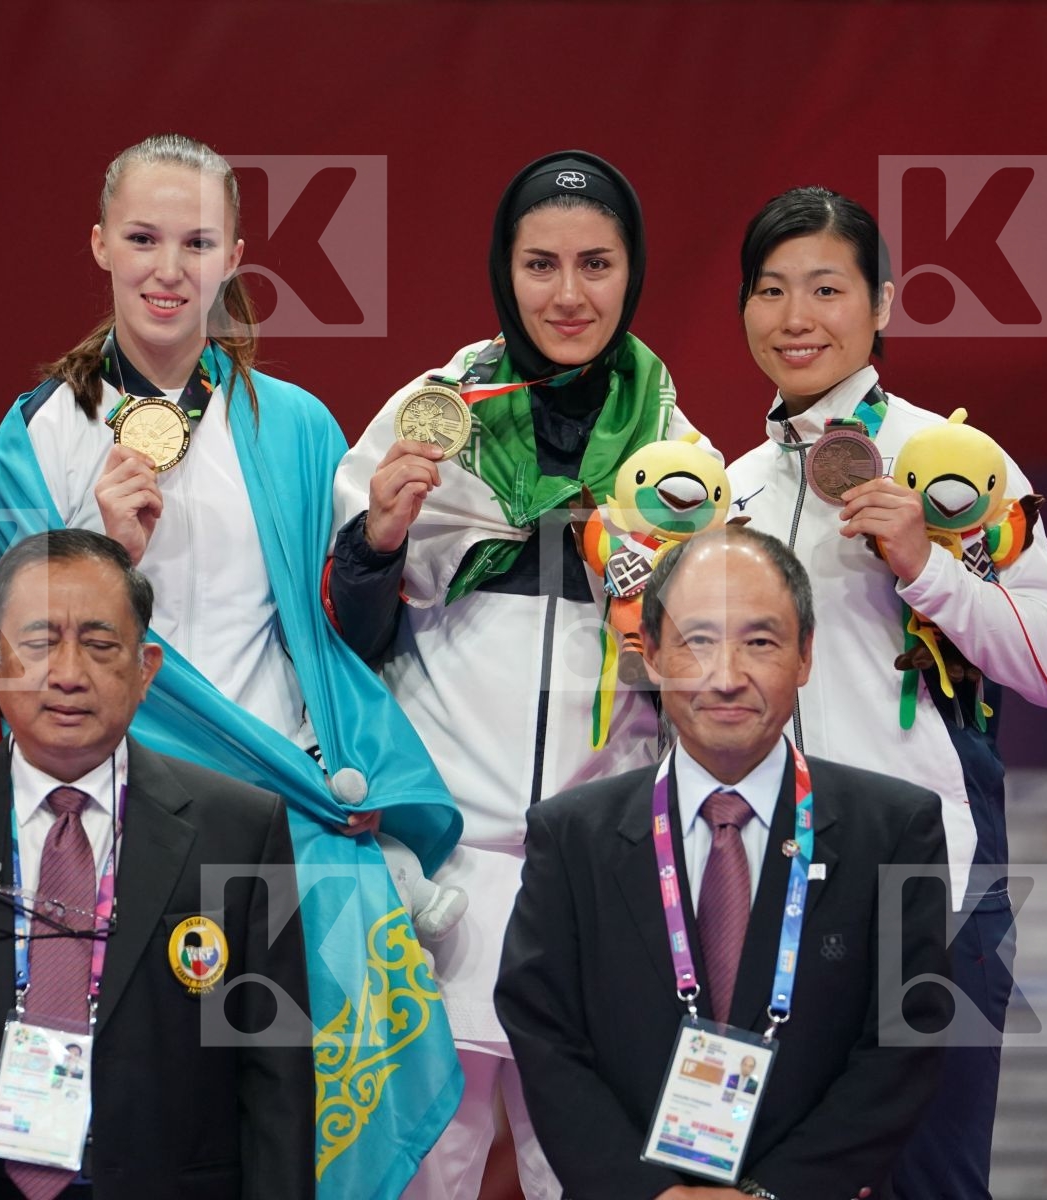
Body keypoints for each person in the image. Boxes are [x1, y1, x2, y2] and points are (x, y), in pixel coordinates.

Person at [0, 135, 465, 1199]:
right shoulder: (38, 434)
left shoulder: (292, 423)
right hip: (114, 822)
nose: (168, 267)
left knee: (285, 1114)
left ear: (236, 253)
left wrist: (374, 544)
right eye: (144, 238)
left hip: (281, 820)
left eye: (197, 241)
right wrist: (106, 557)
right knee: (145, 1116)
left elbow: (342, 630)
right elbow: (14, 658)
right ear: (99, 242)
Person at [328, 151, 705, 1199]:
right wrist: (380, 537)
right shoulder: (430, 413)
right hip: (436, 879)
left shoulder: (677, 447)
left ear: (633, 272)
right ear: (504, 270)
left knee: (588, 1174)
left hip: (598, 882)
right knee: (420, 1169)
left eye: (597, 263)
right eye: (541, 264)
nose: (570, 294)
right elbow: (341, 642)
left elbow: (707, 680)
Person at [723, 186, 1047, 1199]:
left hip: (941, 891)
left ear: (881, 302)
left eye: (826, 288)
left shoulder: (956, 465)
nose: (796, 318)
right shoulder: (724, 491)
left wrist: (927, 566)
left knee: (934, 1182)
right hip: (762, 895)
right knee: (763, 1181)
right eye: (771, 290)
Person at [0, 528, 313, 1200]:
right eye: (39, 643)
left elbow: (276, 1087)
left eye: (101, 646)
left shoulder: (244, 830)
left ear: (146, 669)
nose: (69, 674)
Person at [496, 525, 952, 1199]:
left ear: (805, 656)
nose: (727, 677)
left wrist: (777, 1193)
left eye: (761, 642)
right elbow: (544, 1032)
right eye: (697, 641)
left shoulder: (895, 829)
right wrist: (646, 1193)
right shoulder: (571, 836)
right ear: (650, 654)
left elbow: (906, 1043)